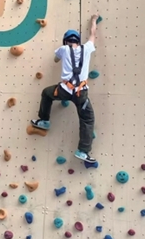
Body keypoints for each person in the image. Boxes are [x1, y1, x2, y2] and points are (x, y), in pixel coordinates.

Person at [31, 14, 101, 163]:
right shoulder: (87, 48)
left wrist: (61, 57)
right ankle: (83, 151)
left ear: (65, 41)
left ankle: (44, 121)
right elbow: (93, 34)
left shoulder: (62, 49)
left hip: (64, 90)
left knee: (47, 93)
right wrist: (94, 20)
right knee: (87, 119)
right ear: (78, 40)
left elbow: (56, 59)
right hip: (81, 93)